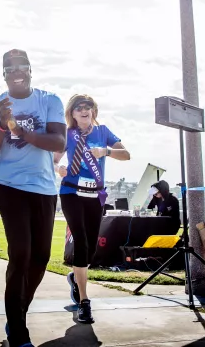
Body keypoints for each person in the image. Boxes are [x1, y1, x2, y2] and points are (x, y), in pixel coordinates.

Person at [0, 49, 66, 347]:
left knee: (41, 257)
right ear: (3, 74)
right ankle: (18, 331)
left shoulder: (49, 100)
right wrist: (3, 126)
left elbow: (58, 141)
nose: (16, 71)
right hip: (8, 186)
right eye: (9, 68)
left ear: (30, 70)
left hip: (43, 188)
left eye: (21, 66)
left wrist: (20, 130)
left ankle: (17, 314)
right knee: (21, 254)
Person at [53, 94, 130, 324]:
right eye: (79, 108)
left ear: (93, 111)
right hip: (71, 193)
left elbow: (126, 155)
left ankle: (75, 278)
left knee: (91, 248)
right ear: (72, 113)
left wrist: (105, 152)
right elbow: (54, 160)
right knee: (81, 241)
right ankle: (85, 302)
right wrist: (59, 167)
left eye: (88, 107)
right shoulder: (67, 135)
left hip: (95, 195)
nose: (84, 111)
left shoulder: (103, 132)